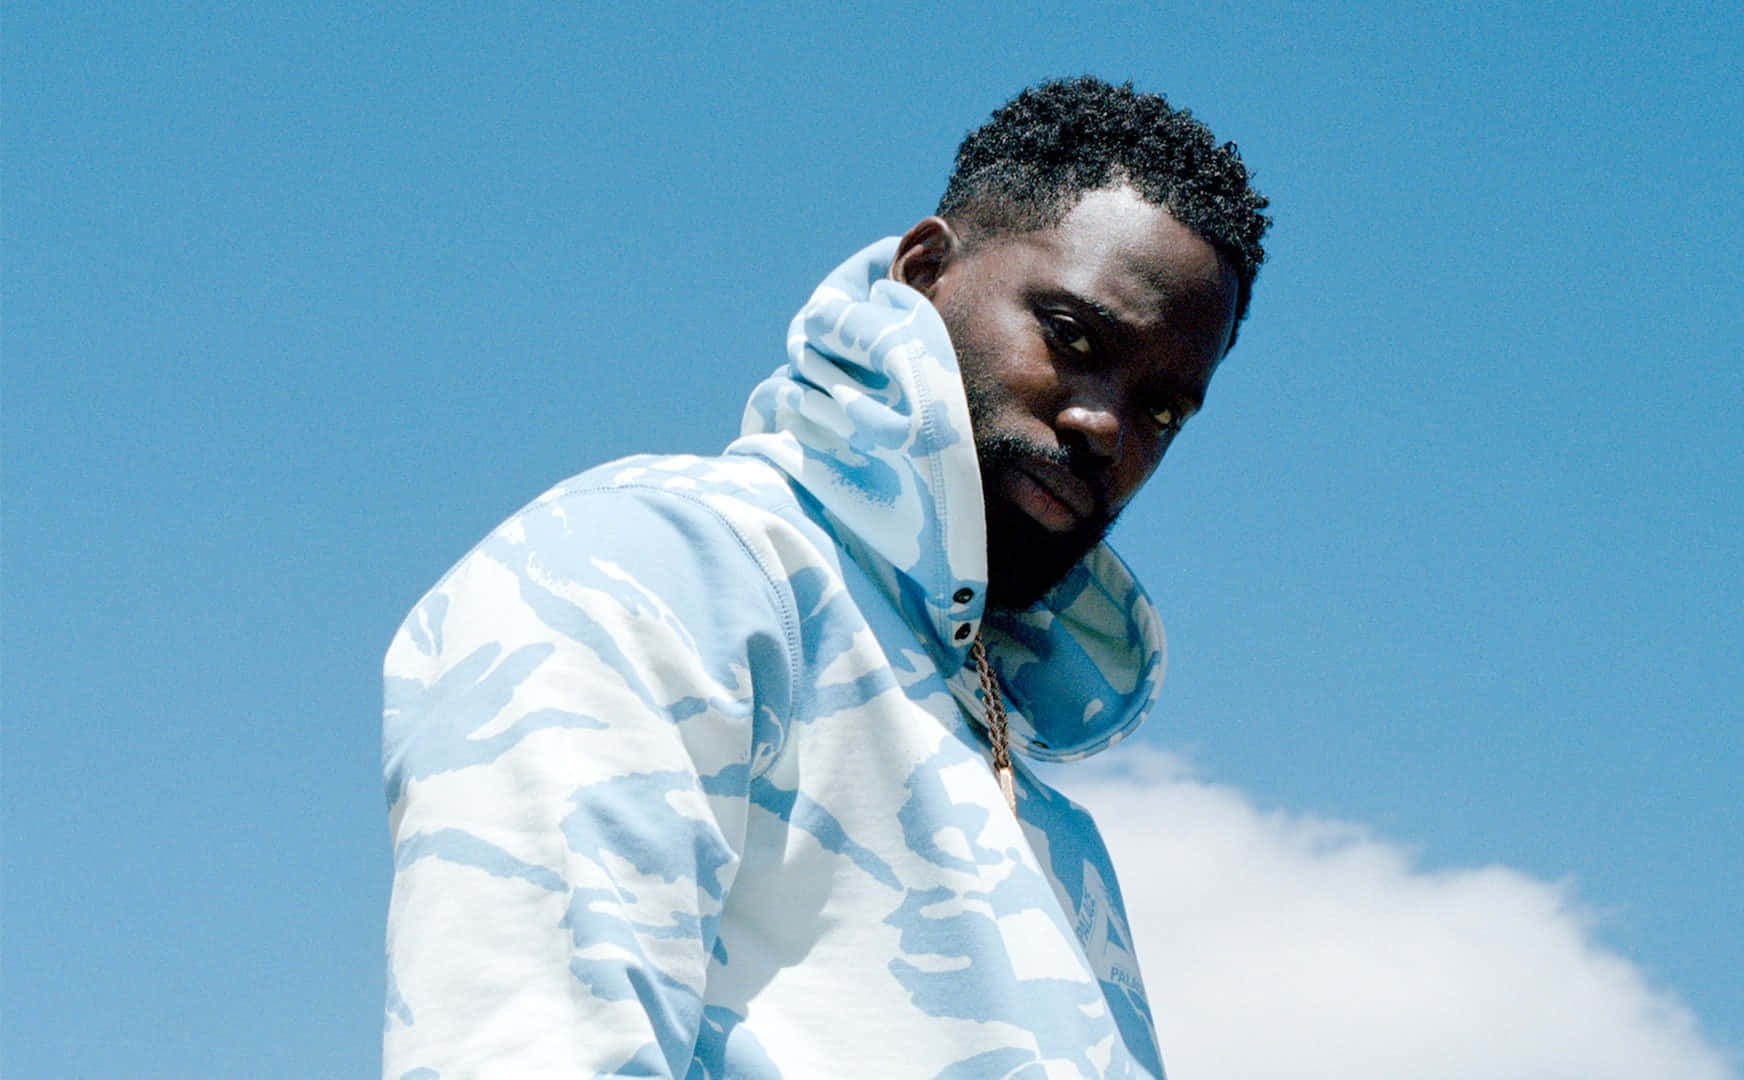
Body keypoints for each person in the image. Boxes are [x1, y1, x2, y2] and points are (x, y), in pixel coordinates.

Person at [381, 76, 1270, 1079]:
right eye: (1072, 337)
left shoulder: (1046, 803)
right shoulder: (664, 562)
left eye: (1161, 410)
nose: (1104, 426)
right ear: (924, 272)